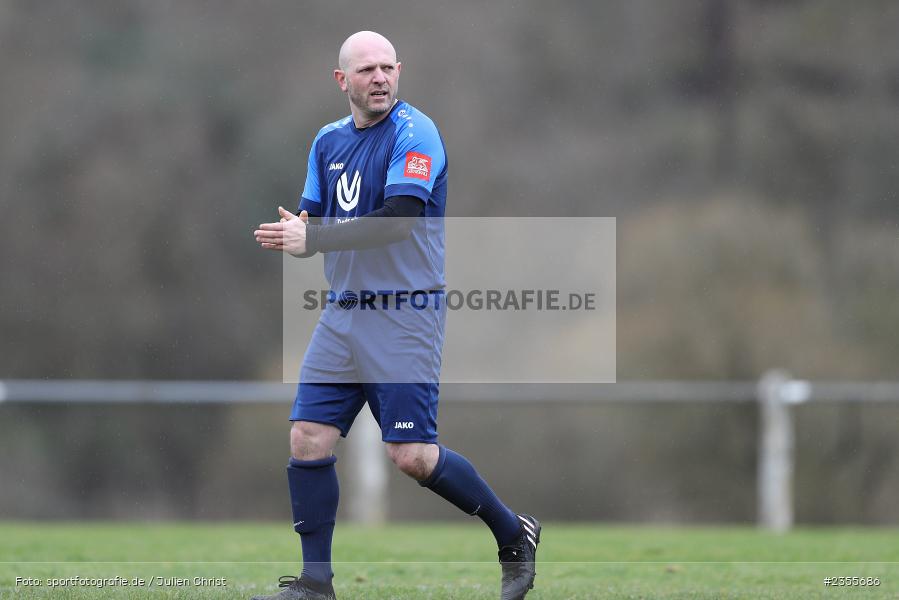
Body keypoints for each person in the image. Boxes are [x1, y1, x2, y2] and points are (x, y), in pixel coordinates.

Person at [252, 31, 540, 600]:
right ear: (343, 81)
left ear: (399, 71)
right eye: (366, 70)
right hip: (342, 314)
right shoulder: (328, 141)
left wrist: (312, 240)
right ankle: (315, 584)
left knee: (411, 457)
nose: (380, 78)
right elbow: (314, 216)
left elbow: (397, 220)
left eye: (388, 67)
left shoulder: (416, 132)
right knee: (308, 438)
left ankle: (513, 533)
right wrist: (297, 229)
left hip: (405, 315)